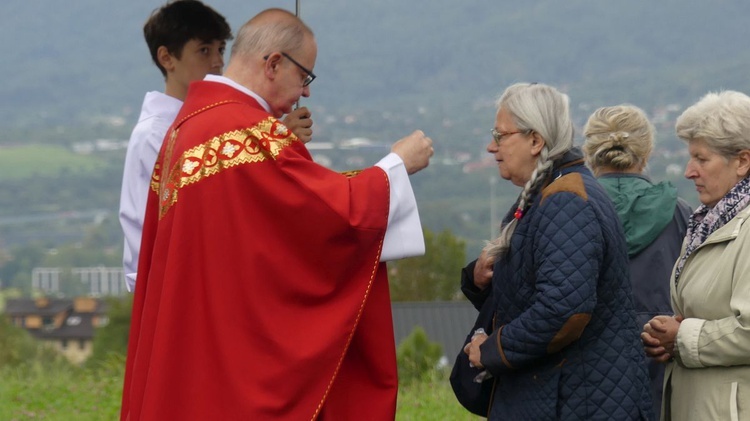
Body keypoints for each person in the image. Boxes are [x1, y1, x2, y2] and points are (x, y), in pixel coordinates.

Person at [119, 8, 434, 421]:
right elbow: (324, 218)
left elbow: (262, 226)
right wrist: (394, 167)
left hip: (202, 340)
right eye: (305, 77)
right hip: (238, 359)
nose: (306, 93)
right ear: (272, 64)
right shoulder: (246, 133)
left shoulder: (190, 126)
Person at [460, 83, 653, 419]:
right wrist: (478, 279)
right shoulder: (547, 193)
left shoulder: (566, 202)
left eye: (501, 135)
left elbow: (563, 310)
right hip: (561, 395)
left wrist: (492, 350)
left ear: (536, 140)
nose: (492, 147)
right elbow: (531, 292)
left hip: (577, 401)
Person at [118, 0, 313, 292]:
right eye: (204, 50)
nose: (217, 62)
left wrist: (278, 140)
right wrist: (277, 142)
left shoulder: (217, 119)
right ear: (167, 58)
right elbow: (214, 197)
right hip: (179, 285)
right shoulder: (155, 134)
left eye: (221, 49)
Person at [641, 90, 750, 421]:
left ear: (743, 161)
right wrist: (671, 333)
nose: (689, 171)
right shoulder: (710, 223)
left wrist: (682, 337)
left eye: (702, 159)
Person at [582, 104, 691, 415]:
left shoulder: (569, 210)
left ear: (590, 151)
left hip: (585, 379)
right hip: (662, 373)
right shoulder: (682, 215)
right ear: (647, 151)